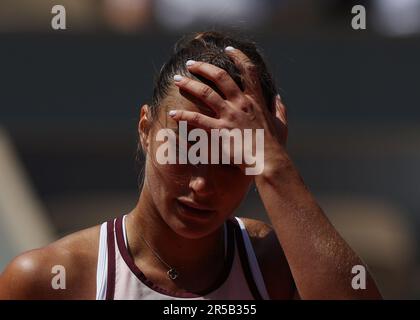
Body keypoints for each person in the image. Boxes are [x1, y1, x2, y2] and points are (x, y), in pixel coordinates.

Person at [0, 31, 382, 300]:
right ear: (145, 129)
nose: (202, 184)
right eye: (187, 148)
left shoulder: (276, 268)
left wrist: (276, 168)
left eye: (231, 158)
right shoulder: (50, 281)